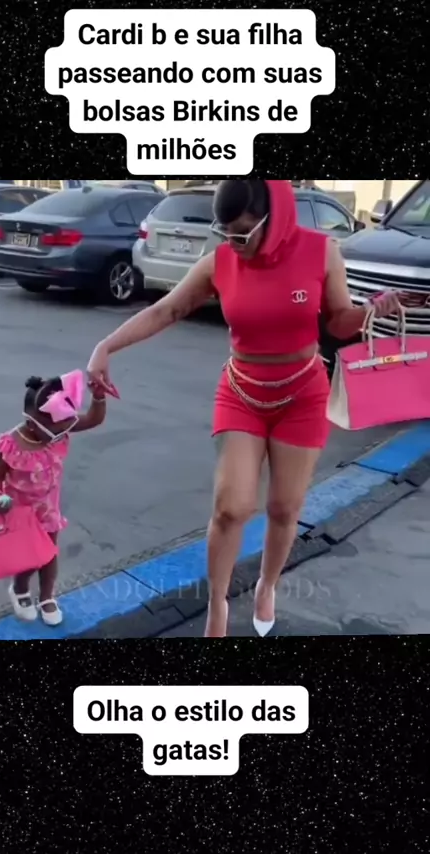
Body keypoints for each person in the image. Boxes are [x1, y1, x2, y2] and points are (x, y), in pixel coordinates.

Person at [87, 179, 403, 638]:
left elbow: (338, 321)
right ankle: (216, 603)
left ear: (274, 220)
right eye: (226, 232)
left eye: (244, 232)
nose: (234, 241)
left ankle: (266, 585)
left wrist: (372, 310)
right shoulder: (220, 262)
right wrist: (105, 347)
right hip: (242, 392)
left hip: (302, 394)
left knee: (284, 507)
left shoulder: (321, 252)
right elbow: (165, 310)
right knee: (231, 507)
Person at [0, 370, 107, 626]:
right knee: (30, 558)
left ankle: (47, 596)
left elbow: (93, 419)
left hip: (48, 509)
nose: (63, 433)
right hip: (19, 513)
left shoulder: (58, 426)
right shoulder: (9, 446)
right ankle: (20, 589)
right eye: (57, 430)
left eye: (65, 427)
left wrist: (98, 398)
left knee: (49, 554)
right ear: (32, 424)